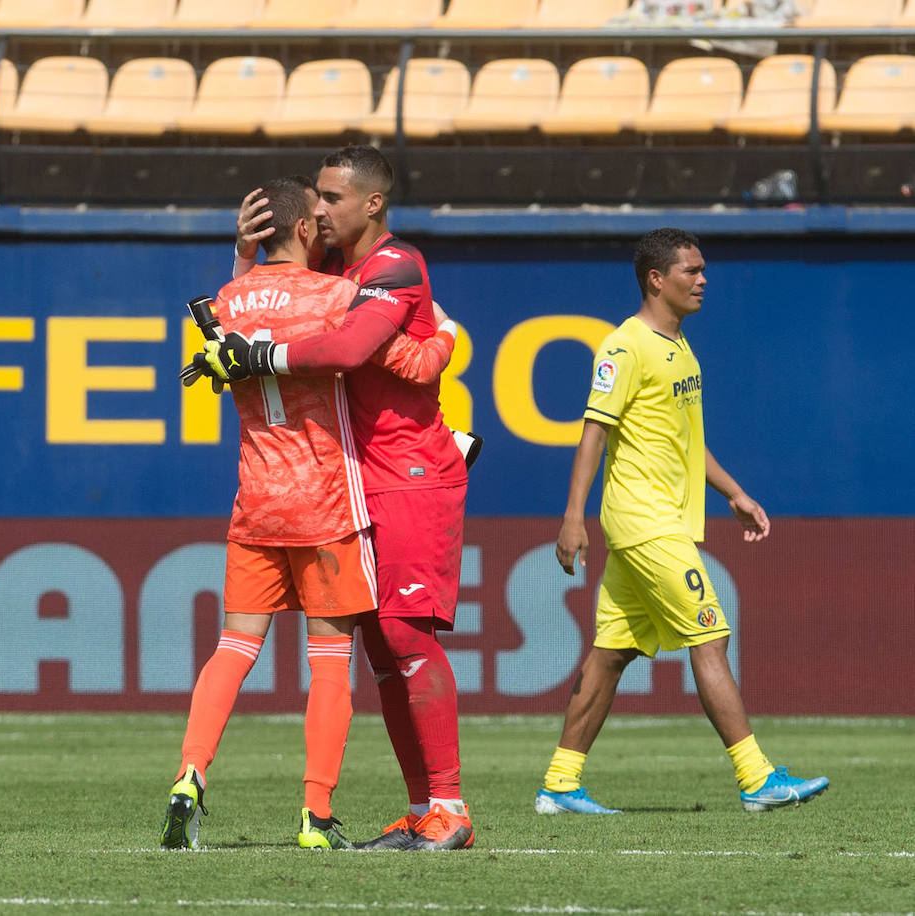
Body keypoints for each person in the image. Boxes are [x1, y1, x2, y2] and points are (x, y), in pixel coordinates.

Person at [202, 145, 474, 852]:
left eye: (332, 196)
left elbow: (347, 349)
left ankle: (451, 806)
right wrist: (243, 253)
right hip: (353, 478)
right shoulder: (332, 273)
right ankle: (425, 811)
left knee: (407, 634)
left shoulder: (394, 265)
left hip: (409, 472)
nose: (317, 208)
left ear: (372, 204)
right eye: (315, 197)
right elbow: (263, 308)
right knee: (381, 648)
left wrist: (260, 355)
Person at [536, 227, 828, 815]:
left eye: (703, 269)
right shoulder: (626, 347)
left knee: (611, 653)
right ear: (656, 279)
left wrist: (735, 493)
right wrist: (573, 518)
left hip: (663, 517)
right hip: (645, 521)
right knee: (711, 634)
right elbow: (594, 431)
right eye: (691, 271)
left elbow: (689, 444)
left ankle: (560, 785)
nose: (703, 280)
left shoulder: (680, 347)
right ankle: (756, 778)